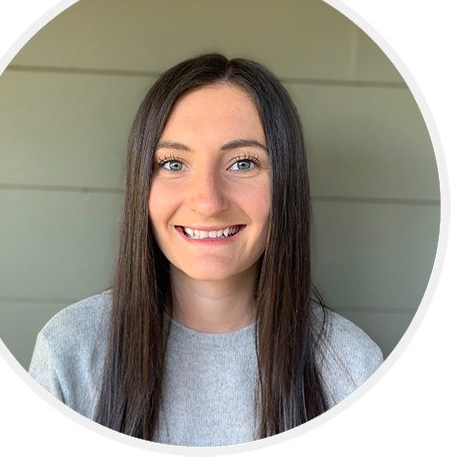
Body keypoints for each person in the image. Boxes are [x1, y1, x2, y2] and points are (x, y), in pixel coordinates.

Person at [29, 53, 383, 446]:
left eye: (244, 163)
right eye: (174, 164)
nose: (208, 202)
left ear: (286, 184)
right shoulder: (69, 350)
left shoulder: (352, 366)